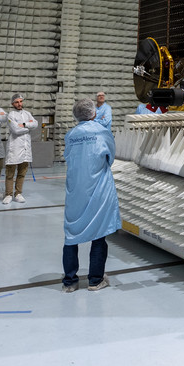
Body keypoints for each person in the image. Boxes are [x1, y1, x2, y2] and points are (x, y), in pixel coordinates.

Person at [62, 98, 121, 292]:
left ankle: (69, 282)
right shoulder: (102, 132)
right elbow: (110, 156)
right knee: (99, 234)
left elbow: (68, 157)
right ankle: (95, 280)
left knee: (71, 235)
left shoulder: (71, 135)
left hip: (75, 191)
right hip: (98, 188)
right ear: (93, 113)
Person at [2, 94, 39, 205]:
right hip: (14, 147)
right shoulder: (10, 115)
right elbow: (16, 130)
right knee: (10, 174)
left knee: (22, 173)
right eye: (17, 102)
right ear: (12, 103)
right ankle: (8, 194)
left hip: (25, 148)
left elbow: (35, 124)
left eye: (20, 101)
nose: (19, 104)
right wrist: (29, 128)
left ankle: (18, 193)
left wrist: (24, 124)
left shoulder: (27, 114)